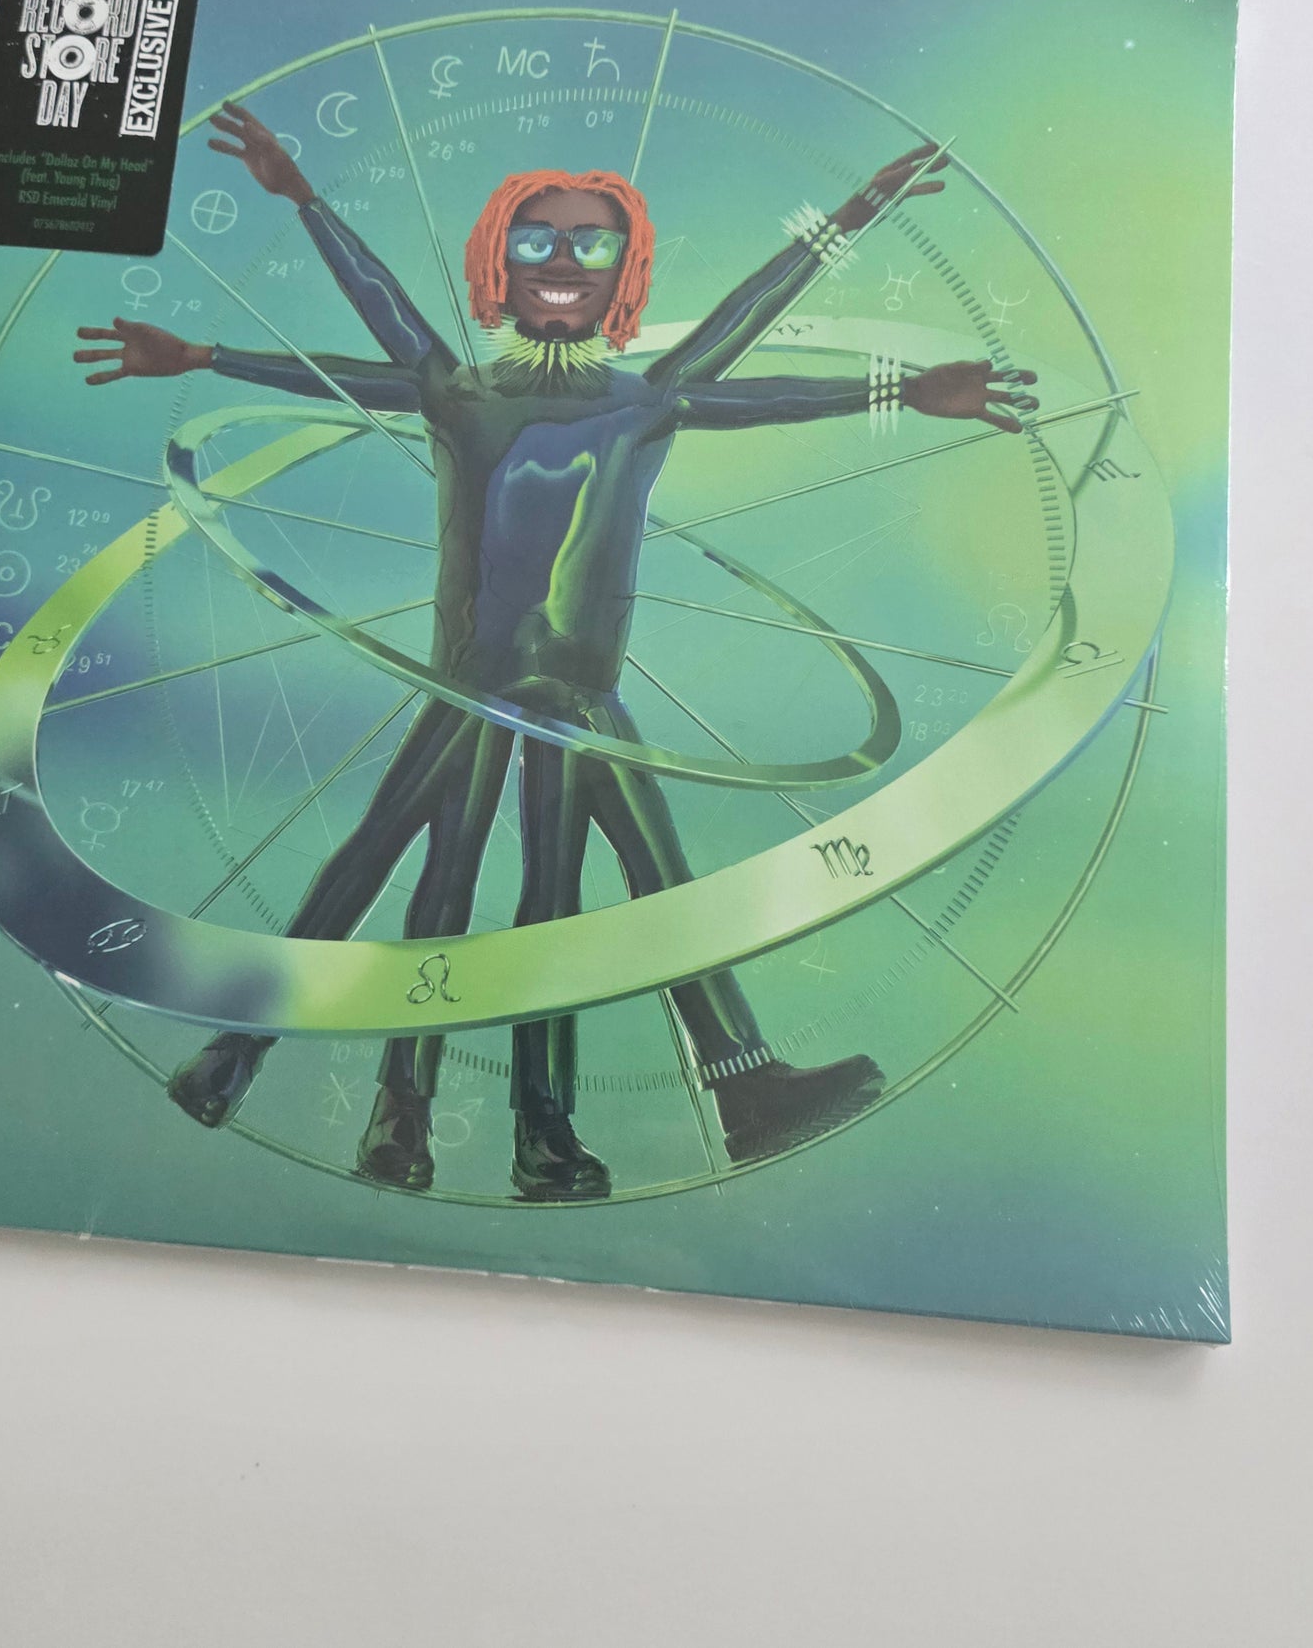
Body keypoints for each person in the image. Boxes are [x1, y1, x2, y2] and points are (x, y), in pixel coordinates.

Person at [72, 105, 1038, 1199]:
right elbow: (373, 320)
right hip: (480, 693)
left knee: (496, 880)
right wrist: (267, 253)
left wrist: (880, 309)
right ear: (499, 260)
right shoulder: (456, 393)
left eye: (592, 242)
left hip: (573, 700)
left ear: (624, 269)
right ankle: (513, 1109)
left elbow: (754, 344)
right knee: (462, 877)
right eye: (536, 240)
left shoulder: (649, 400)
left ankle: (378, 1097)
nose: (565, 260)